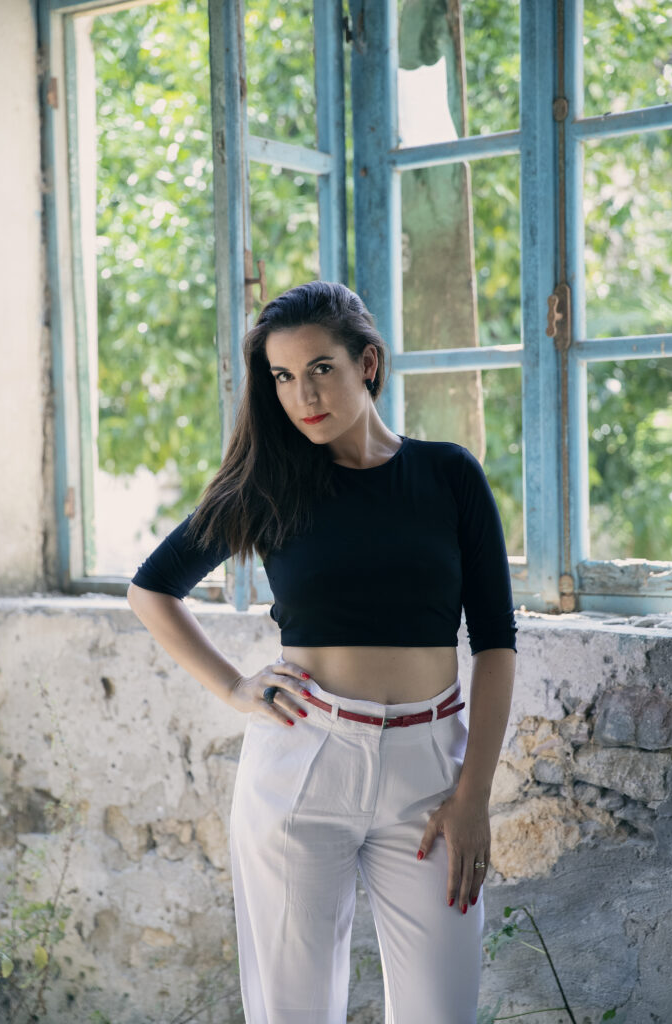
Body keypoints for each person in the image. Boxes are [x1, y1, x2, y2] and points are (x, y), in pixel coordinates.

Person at [128, 280, 517, 1024]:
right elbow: (152, 590)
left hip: (430, 771)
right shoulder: (267, 486)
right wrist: (234, 687)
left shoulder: (448, 475)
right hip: (302, 763)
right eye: (282, 377)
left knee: (441, 1014)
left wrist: (473, 795)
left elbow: (496, 643)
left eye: (320, 369)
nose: (302, 396)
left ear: (366, 363)